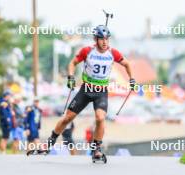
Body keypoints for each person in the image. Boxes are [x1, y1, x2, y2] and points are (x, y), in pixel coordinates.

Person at [43, 25, 135, 159]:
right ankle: (50, 142)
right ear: (95, 39)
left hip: (101, 91)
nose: (104, 42)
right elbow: (72, 63)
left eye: (107, 39)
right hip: (86, 90)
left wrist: (132, 79)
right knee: (67, 118)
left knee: (100, 118)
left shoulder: (113, 53)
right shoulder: (87, 51)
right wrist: (70, 77)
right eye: (101, 39)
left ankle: (96, 149)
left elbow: (127, 64)